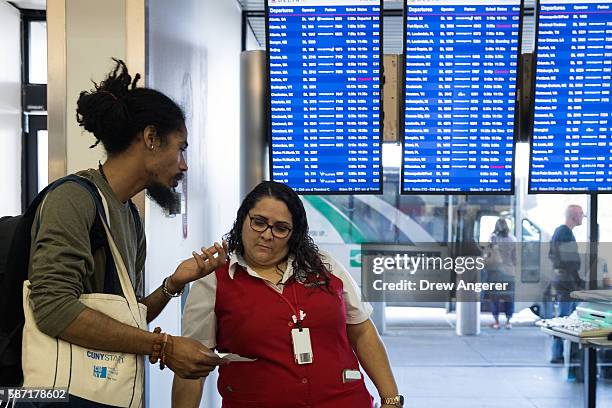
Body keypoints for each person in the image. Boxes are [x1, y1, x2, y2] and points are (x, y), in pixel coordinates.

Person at [24, 59, 228, 406]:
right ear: (151, 138)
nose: (184, 165)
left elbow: (125, 317)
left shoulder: (130, 216)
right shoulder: (73, 199)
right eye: (181, 148)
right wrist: (163, 346)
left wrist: (172, 285)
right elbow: (53, 308)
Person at [172, 181, 403, 408]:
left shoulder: (324, 265)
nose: (267, 235)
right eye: (259, 222)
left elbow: (362, 330)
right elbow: (191, 365)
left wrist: (391, 400)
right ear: (242, 219)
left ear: (294, 234)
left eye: (281, 228)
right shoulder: (214, 279)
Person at [548, 205, 585, 364]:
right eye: (582, 214)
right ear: (575, 215)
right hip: (566, 280)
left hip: (562, 278)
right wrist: (578, 280)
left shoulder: (560, 231)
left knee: (566, 315)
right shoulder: (565, 233)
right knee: (565, 316)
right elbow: (570, 260)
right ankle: (559, 355)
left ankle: (561, 354)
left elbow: (553, 255)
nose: (583, 217)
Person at [485, 218, 517, 330]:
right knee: (509, 297)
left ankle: (497, 322)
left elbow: (487, 254)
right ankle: (508, 322)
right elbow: (515, 258)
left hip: (495, 272)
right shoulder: (513, 239)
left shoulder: (493, 238)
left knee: (495, 297)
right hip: (510, 273)